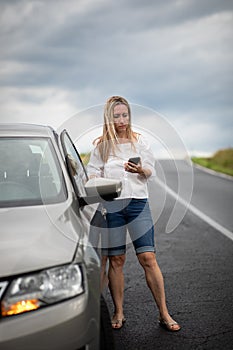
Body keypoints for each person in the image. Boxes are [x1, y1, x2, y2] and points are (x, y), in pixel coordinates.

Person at [87, 96, 181, 332]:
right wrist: (100, 180)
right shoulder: (101, 146)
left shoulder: (140, 141)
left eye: (125, 115)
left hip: (138, 204)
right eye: (116, 116)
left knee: (148, 258)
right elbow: (91, 174)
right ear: (109, 118)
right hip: (113, 207)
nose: (121, 120)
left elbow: (151, 171)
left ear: (129, 116)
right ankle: (119, 311)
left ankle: (164, 313)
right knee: (117, 261)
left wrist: (140, 169)